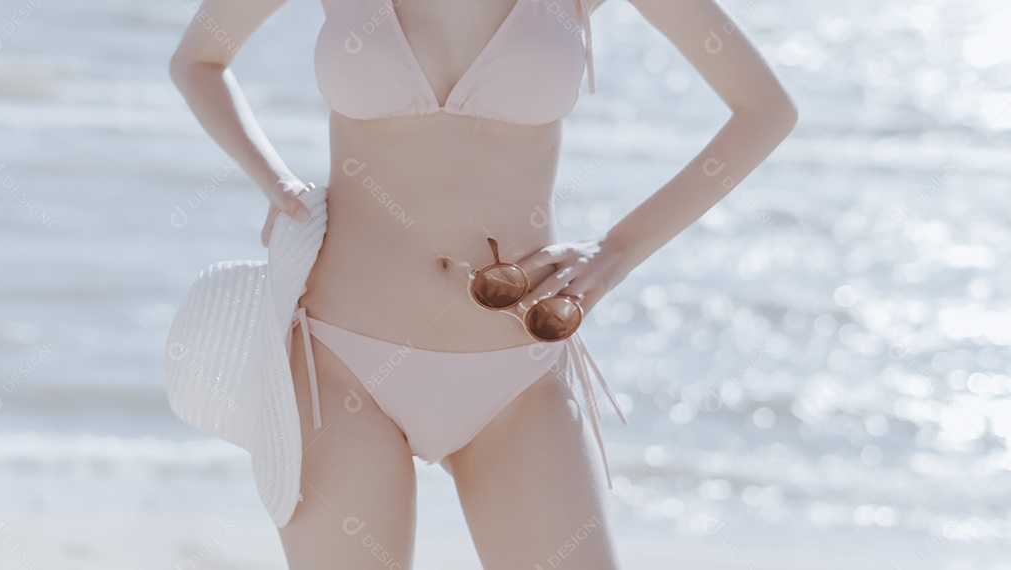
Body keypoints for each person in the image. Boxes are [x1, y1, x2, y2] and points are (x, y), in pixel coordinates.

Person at [168, 0, 797, 566]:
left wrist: (619, 250)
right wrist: (277, 185)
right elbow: (199, 59)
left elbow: (765, 110)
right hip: (336, 360)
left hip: (516, 373)